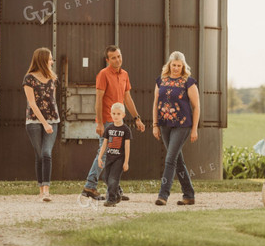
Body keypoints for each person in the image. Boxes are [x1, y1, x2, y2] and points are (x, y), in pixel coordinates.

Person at [82, 45, 146, 200]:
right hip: (107, 122)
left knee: (116, 156)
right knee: (103, 154)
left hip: (119, 121)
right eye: (113, 57)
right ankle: (90, 186)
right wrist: (100, 123)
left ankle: (114, 189)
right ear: (107, 60)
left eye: (119, 56)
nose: (117, 60)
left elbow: (127, 98)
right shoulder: (103, 74)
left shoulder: (124, 74)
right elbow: (98, 100)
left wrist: (137, 118)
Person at [152, 51, 199, 206]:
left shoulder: (189, 82)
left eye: (179, 66)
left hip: (182, 125)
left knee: (170, 159)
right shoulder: (161, 81)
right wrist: (155, 125)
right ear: (169, 65)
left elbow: (196, 106)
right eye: (174, 65)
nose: (176, 68)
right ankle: (189, 195)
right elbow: (155, 104)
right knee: (177, 161)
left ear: (183, 66)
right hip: (164, 125)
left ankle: (163, 195)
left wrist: (194, 129)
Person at [23, 47, 60, 201]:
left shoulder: (53, 78)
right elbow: (32, 103)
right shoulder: (29, 78)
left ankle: (46, 191)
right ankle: (41, 190)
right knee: (39, 155)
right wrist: (44, 123)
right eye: (50, 59)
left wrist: (51, 121)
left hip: (53, 121)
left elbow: (53, 101)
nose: (52, 61)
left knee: (46, 153)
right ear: (43, 60)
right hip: (34, 121)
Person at [97, 102, 132, 207]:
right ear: (110, 114)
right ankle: (118, 193)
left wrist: (126, 162)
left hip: (119, 159)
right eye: (114, 113)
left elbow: (127, 147)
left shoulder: (126, 130)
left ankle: (111, 200)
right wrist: (99, 157)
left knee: (113, 178)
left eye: (118, 114)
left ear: (123, 115)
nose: (116, 116)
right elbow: (104, 144)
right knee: (106, 177)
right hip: (109, 158)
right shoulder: (108, 129)